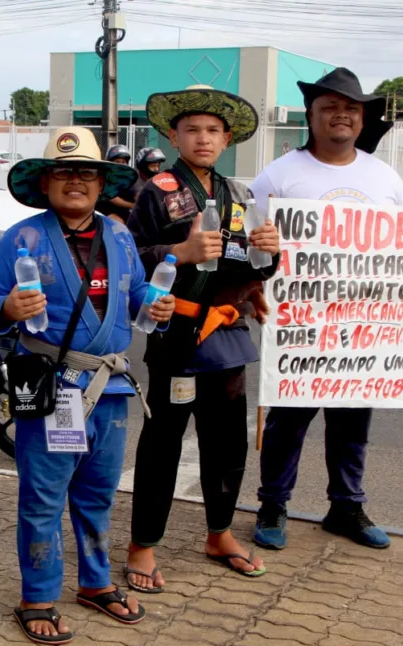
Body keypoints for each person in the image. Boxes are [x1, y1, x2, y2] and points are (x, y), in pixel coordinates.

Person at [0, 127, 174, 645]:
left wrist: (157, 303)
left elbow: (136, 297)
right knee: (42, 498)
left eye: (86, 171)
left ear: (101, 182)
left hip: (109, 390)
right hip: (51, 387)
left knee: (98, 494)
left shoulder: (121, 235)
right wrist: (8, 309)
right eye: (63, 172)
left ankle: (95, 583)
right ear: (45, 183)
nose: (75, 181)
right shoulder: (24, 238)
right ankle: (37, 595)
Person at [122, 85, 281, 593]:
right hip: (175, 336)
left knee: (227, 442)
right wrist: (181, 253)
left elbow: (253, 265)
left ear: (227, 138)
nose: (202, 138)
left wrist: (269, 253)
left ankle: (219, 534)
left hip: (227, 336)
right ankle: (141, 545)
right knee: (163, 443)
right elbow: (130, 258)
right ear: (174, 135)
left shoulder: (239, 195)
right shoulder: (155, 190)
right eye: (191, 129)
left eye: (213, 131)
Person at [248, 68, 403, 551]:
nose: (341, 115)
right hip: (300, 324)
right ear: (312, 117)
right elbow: (249, 245)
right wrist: (254, 283)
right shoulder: (278, 175)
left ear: (363, 120)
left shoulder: (384, 177)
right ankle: (273, 504)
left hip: (362, 325)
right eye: (330, 107)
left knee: (353, 423)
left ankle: (346, 507)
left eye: (351, 108)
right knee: (287, 422)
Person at [97, 144, 138, 224]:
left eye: (123, 162)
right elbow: (113, 199)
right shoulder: (104, 176)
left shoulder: (128, 178)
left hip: (124, 212)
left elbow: (136, 194)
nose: (121, 164)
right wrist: (132, 205)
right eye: (118, 162)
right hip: (105, 211)